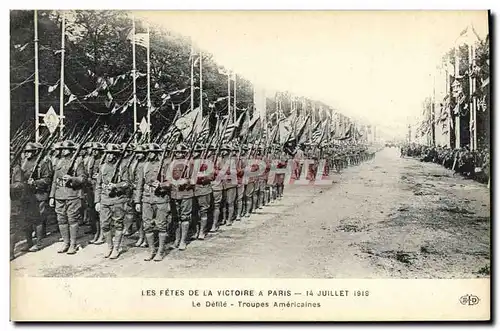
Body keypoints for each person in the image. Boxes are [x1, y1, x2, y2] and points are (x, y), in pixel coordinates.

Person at [134, 143, 171, 261]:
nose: (149, 155)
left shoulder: (164, 165)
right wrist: (137, 201)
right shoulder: (143, 166)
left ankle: (160, 251)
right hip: (146, 198)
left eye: (152, 153)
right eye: (147, 153)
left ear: (156, 153)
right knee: (147, 225)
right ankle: (151, 250)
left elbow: (171, 182)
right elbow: (139, 184)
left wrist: (162, 185)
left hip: (160, 198)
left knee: (161, 226)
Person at [49, 140, 87, 255]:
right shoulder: (59, 162)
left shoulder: (77, 162)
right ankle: (65, 242)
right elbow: (54, 181)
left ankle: (73, 244)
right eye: (62, 149)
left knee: (72, 219)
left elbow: (83, 179)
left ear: (71, 150)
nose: (62, 151)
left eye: (65, 149)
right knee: (61, 220)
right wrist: (52, 196)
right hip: (60, 195)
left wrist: (71, 179)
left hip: (72, 195)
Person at [94, 143, 131, 259]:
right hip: (105, 199)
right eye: (108, 153)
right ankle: (109, 246)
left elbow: (126, 183)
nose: (110, 156)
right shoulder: (103, 166)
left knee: (118, 224)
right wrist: (97, 201)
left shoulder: (122, 166)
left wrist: (116, 185)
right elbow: (98, 185)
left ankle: (116, 248)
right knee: (104, 224)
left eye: (112, 154)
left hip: (117, 199)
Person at [21, 142, 53, 252]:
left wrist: (35, 182)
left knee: (38, 219)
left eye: (30, 152)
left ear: (35, 152)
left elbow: (48, 179)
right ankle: (29, 243)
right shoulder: (23, 163)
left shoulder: (42, 163)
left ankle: (39, 243)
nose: (27, 154)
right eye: (26, 152)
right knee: (26, 220)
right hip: (26, 195)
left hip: (39, 194)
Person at [170, 143, 194, 251]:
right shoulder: (172, 163)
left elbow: (194, 180)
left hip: (186, 193)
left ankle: (183, 241)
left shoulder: (190, 163)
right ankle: (176, 239)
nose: (179, 154)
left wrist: (186, 181)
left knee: (185, 217)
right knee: (176, 218)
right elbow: (167, 177)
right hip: (174, 193)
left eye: (181, 152)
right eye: (177, 152)